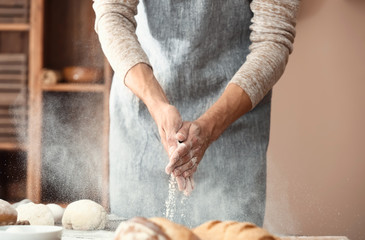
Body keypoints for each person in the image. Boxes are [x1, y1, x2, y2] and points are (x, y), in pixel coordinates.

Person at [93, 0, 300, 227]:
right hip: (144, 116)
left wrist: (211, 126)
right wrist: (157, 104)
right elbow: (112, 15)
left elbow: (273, 38)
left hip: (234, 121)